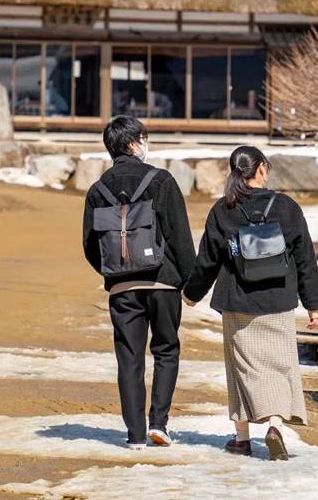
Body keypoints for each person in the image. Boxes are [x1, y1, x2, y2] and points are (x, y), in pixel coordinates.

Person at [183, 145, 318, 461]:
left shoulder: (223, 209)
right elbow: (305, 259)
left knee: (241, 369)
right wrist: (313, 304)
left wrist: (192, 293)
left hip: (238, 299)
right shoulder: (286, 207)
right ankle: (274, 426)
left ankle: (242, 438)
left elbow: (208, 259)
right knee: (280, 365)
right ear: (261, 168)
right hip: (278, 299)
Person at [82, 115, 196, 450]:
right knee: (166, 350)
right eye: (144, 138)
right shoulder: (161, 180)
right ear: (135, 143)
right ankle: (158, 423)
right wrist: (189, 283)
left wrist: (113, 272)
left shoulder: (97, 189)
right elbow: (180, 237)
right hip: (163, 284)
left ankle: (133, 435)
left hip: (122, 288)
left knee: (129, 358)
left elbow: (90, 246)